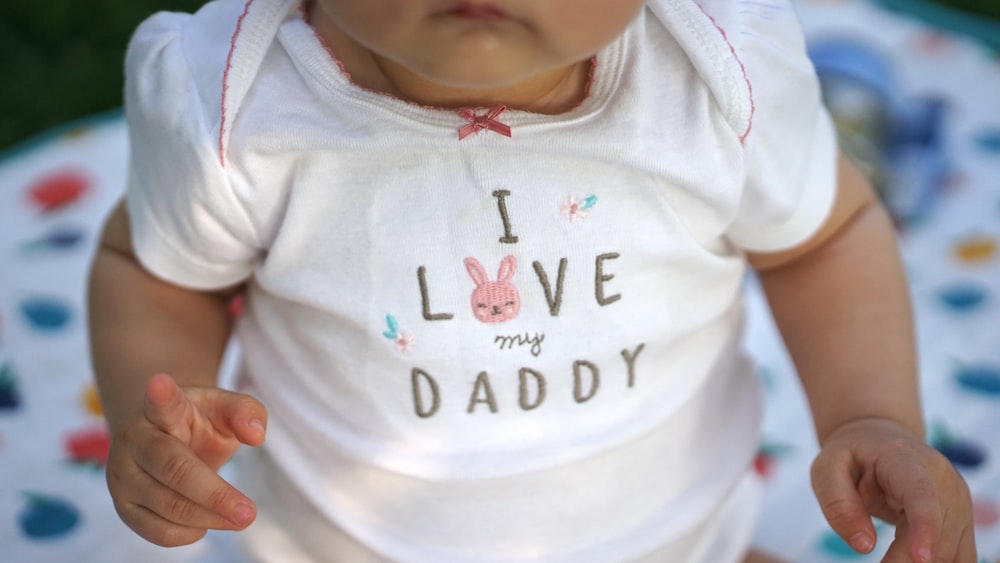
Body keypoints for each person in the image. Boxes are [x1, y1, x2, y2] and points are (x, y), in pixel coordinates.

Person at [87, 0, 977, 561]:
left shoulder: (716, 79)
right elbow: (157, 270)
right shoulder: (234, 106)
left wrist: (870, 415)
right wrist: (162, 406)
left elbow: (822, 238)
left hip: (674, 535)